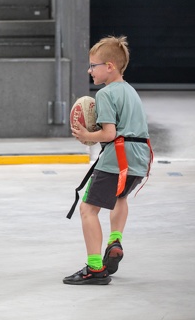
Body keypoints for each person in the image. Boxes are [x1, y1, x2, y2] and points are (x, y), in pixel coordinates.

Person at [63, 35, 153, 285]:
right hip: (139, 160)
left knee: (87, 209)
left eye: (93, 65)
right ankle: (115, 239)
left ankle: (94, 269)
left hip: (117, 160)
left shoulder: (105, 94)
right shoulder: (131, 91)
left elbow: (109, 133)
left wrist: (86, 135)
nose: (89, 70)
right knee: (120, 198)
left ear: (110, 66)